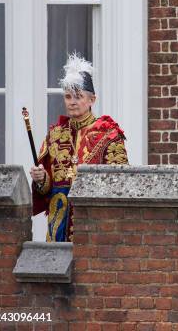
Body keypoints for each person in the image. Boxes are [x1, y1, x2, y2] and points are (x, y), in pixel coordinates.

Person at [29, 53, 128, 242]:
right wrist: (41, 179)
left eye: (78, 96)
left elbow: (119, 181)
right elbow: (46, 189)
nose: (72, 101)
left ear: (92, 100)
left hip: (92, 223)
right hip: (58, 224)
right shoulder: (54, 135)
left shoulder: (109, 133)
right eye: (68, 96)